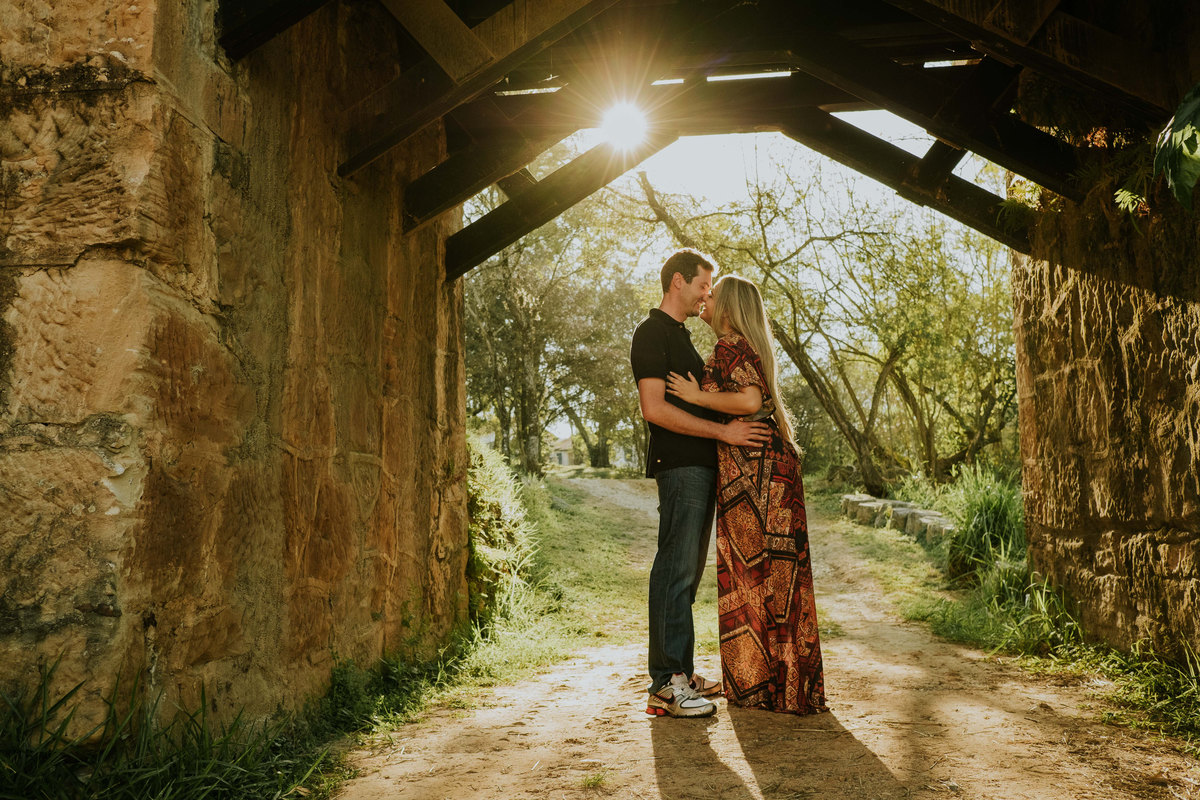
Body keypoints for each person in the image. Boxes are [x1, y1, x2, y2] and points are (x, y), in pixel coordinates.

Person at [666, 275, 828, 715]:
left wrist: (697, 395)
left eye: (713, 293)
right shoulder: (738, 345)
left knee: (756, 576)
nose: (706, 297)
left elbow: (749, 400)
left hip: (758, 476)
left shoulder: (730, 345)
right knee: (773, 577)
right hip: (762, 472)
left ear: (729, 308)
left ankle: (762, 685)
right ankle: (778, 685)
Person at [630, 250, 771, 719]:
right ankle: (666, 685)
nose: (707, 294)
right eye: (702, 285)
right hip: (680, 467)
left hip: (703, 467)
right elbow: (655, 409)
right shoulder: (651, 334)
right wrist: (725, 431)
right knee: (674, 569)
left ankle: (681, 673)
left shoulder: (682, 338)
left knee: (685, 575)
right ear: (677, 282)